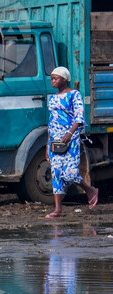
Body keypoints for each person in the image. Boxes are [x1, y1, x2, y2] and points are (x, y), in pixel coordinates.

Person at [46, 66, 99, 218]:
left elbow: (79, 117)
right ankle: (58, 210)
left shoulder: (74, 95)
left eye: (55, 78)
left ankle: (90, 190)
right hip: (55, 140)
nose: (53, 81)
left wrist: (69, 133)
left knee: (69, 173)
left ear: (64, 79)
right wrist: (48, 145)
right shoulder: (53, 98)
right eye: (51, 79)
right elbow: (51, 122)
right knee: (56, 173)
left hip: (71, 139)